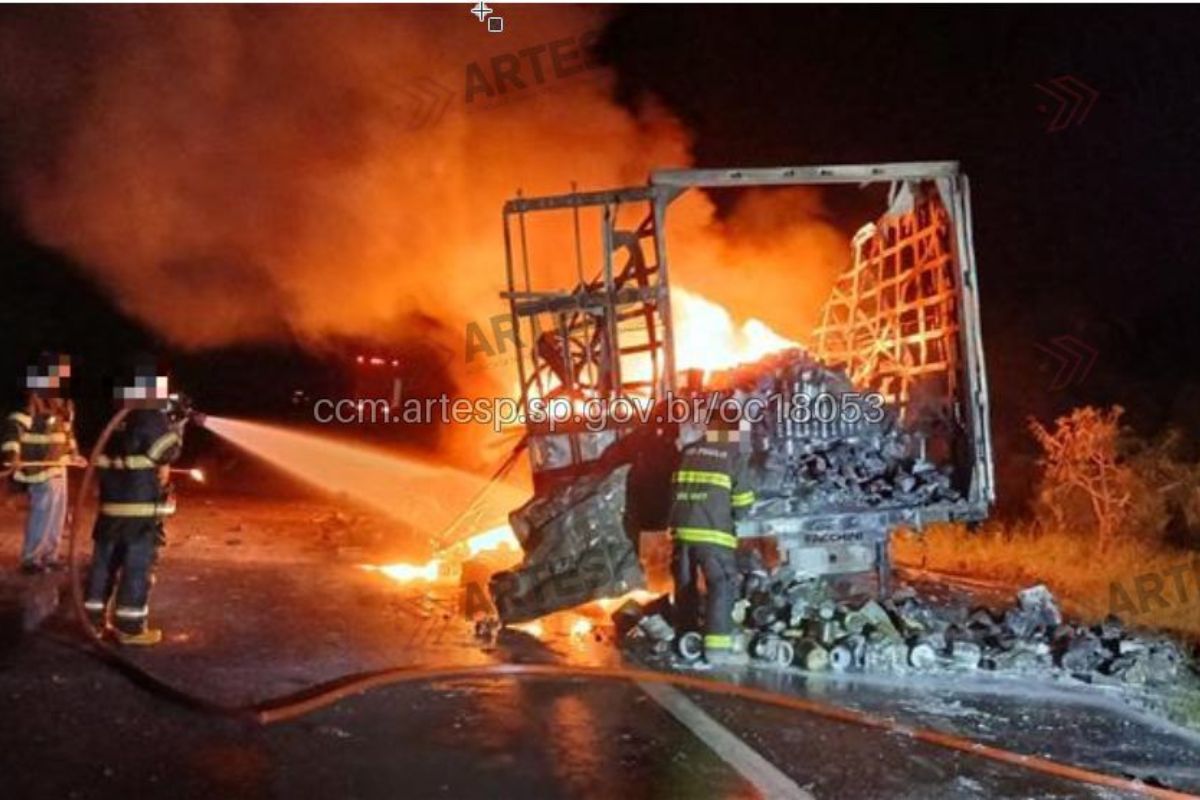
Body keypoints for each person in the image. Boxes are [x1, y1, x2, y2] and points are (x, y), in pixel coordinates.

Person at [83, 363, 184, 645]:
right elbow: (167, 451)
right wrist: (176, 424)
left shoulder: (109, 415)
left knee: (103, 564)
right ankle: (129, 628)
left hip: (110, 507)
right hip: (139, 511)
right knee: (137, 568)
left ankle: (92, 621)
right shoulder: (148, 416)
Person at [667, 421, 756, 665]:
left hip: (682, 528)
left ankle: (687, 636)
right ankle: (717, 649)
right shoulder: (735, 450)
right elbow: (743, 500)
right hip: (711, 531)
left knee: (685, 585)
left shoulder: (690, 448)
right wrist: (739, 514)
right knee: (721, 582)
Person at [2, 354, 85, 574]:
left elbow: (68, 432)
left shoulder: (64, 403)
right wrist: (11, 454)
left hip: (59, 466)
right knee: (43, 513)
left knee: (57, 514)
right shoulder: (34, 399)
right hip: (39, 469)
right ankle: (32, 558)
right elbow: (14, 426)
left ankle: (50, 555)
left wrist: (74, 454)